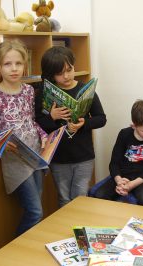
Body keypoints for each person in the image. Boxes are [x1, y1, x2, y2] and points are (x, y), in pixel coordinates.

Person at [0, 39, 48, 236]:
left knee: (38, 207)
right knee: (35, 211)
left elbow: (31, 121)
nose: (14, 69)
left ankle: (30, 247)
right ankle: (16, 249)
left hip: (35, 153)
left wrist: (44, 136)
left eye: (18, 63)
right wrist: (2, 143)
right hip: (14, 160)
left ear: (24, 65)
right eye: (8, 64)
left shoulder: (28, 91)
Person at [35, 46, 106, 207]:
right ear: (51, 74)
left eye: (69, 69)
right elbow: (38, 124)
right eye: (60, 73)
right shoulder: (44, 93)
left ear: (74, 66)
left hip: (84, 156)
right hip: (59, 157)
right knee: (64, 198)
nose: (66, 76)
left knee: (80, 197)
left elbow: (101, 118)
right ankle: (67, 231)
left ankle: (80, 229)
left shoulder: (86, 91)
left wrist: (84, 124)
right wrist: (52, 117)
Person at [93, 100, 143, 207]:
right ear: (134, 126)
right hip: (123, 176)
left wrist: (131, 185)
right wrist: (119, 181)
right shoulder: (124, 134)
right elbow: (114, 163)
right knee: (100, 195)